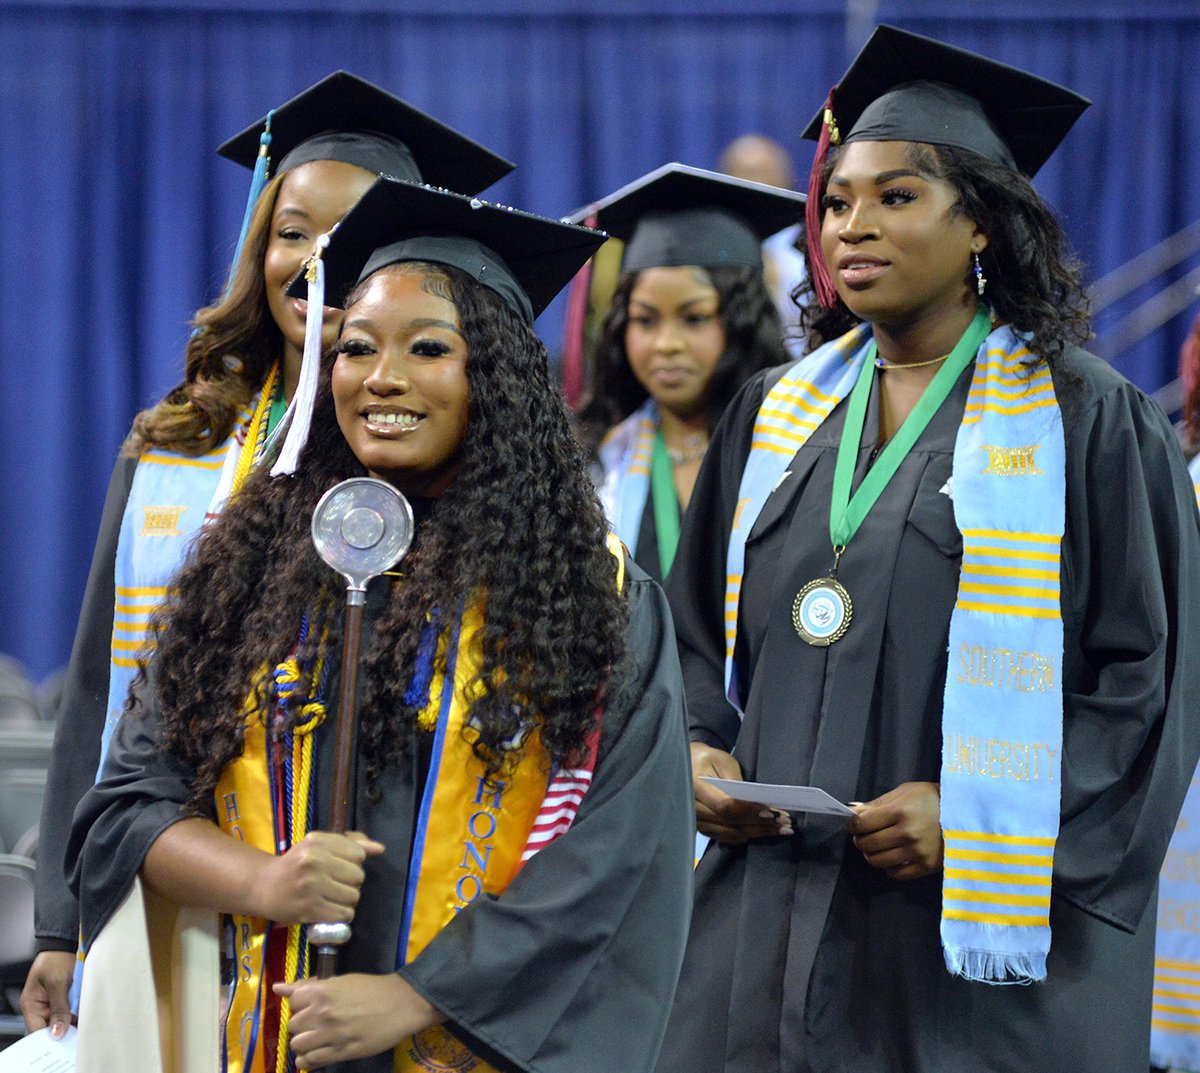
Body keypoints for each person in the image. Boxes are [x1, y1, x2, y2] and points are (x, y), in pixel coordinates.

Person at [655, 25, 1200, 1073]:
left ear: (984, 224)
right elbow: (685, 638)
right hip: (759, 928)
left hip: (962, 963)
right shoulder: (773, 415)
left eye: (897, 197)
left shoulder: (1090, 421)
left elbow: (1153, 682)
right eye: (838, 202)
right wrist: (693, 752)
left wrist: (978, 815)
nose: (852, 227)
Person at [66, 177, 695, 1073]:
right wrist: (263, 881)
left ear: (499, 376)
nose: (382, 378)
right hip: (275, 1038)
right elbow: (127, 805)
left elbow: (621, 856)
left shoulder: (593, 599)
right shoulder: (253, 571)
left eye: (427, 347)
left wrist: (413, 997)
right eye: (356, 348)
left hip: (466, 1044)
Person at [21, 71, 512, 1039]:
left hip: (350, 888)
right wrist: (59, 915)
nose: (311, 261)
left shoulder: (437, 465)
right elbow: (95, 688)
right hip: (165, 867)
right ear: (257, 244)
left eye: (348, 237)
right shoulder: (176, 444)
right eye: (291, 231)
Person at [571, 163, 802, 580]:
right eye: (645, 320)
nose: (666, 344)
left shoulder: (795, 452)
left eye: (694, 318)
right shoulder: (597, 461)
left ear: (741, 323)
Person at [716, 134, 809, 342]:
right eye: (743, 173)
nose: (756, 183)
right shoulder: (714, 250)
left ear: (787, 177)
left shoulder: (813, 247)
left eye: (764, 173)